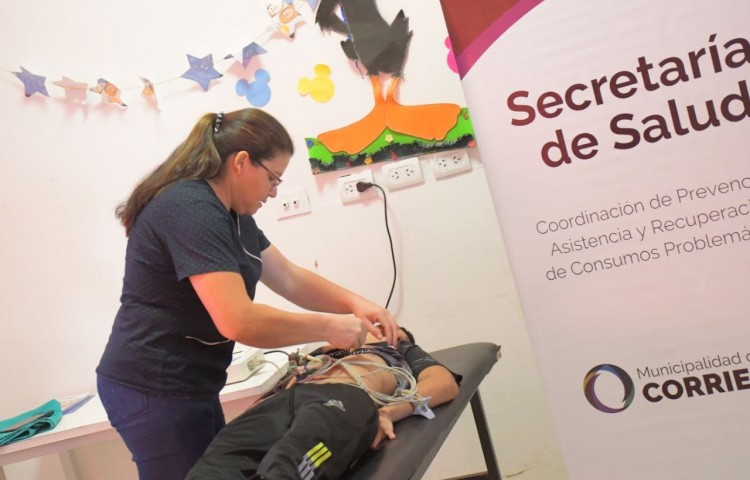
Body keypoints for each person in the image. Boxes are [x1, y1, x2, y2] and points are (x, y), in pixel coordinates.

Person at [95, 108, 398, 480]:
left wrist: (357, 304)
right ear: (240, 162)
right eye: (272, 178)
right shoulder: (190, 208)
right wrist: (330, 327)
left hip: (192, 382)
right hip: (153, 386)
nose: (273, 192)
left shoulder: (233, 217)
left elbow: (288, 277)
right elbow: (237, 320)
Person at [186, 328, 461, 479]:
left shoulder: (397, 350)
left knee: (288, 462)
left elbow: (445, 383)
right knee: (212, 466)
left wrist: (390, 412)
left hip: (344, 397)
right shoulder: (321, 354)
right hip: (281, 401)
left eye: (381, 327)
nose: (370, 327)